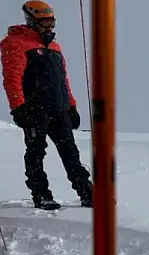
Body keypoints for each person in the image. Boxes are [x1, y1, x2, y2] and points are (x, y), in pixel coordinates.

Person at [1, 1, 92, 211]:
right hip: (34, 109)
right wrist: (18, 107)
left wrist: (71, 105)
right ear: (31, 21)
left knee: (70, 151)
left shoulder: (54, 47)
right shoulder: (15, 43)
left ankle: (85, 192)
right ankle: (41, 194)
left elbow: (63, 80)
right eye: (45, 24)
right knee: (36, 151)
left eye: (52, 23)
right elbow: (11, 78)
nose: (49, 28)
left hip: (58, 109)